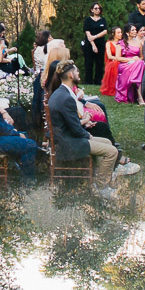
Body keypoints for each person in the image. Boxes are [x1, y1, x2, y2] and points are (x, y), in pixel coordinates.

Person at [47, 61, 119, 193]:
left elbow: (71, 124)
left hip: (66, 138)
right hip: (68, 144)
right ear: (70, 75)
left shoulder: (60, 93)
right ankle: (102, 187)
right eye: (76, 71)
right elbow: (75, 129)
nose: (78, 74)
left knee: (108, 142)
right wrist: (89, 135)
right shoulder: (66, 97)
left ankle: (99, 176)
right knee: (112, 151)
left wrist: (85, 124)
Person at [81, 2, 109, 85]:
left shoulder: (102, 20)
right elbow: (87, 33)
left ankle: (98, 82)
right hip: (89, 45)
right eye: (96, 8)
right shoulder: (88, 20)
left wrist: (96, 36)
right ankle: (88, 82)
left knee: (99, 64)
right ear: (92, 10)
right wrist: (93, 45)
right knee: (88, 64)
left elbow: (105, 31)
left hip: (100, 44)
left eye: (99, 8)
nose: (98, 10)